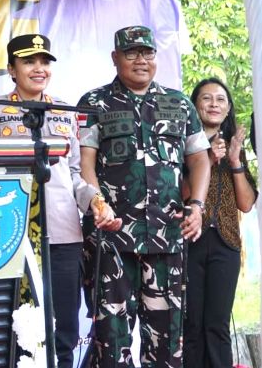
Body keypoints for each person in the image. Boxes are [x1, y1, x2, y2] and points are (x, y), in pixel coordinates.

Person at [0, 34, 116, 368]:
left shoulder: (65, 112)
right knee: (15, 328)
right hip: (10, 235)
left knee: (63, 329)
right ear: (12, 69)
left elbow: (75, 175)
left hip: (63, 235)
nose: (39, 69)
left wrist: (96, 201)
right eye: (29, 62)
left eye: (44, 62)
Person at [77, 25, 210, 368]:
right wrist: (97, 202)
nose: (141, 60)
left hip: (167, 235)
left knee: (166, 342)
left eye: (147, 52)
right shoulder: (94, 103)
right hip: (112, 238)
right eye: (131, 53)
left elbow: (199, 160)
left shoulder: (179, 103)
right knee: (111, 342)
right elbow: (84, 162)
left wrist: (196, 206)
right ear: (115, 57)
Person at [182, 78, 257, 368]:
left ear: (228, 109)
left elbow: (246, 204)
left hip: (226, 243)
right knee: (191, 325)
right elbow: (178, 193)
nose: (214, 104)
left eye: (220, 99)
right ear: (194, 105)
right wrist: (208, 159)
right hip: (189, 240)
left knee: (217, 325)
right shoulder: (181, 145)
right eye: (206, 98)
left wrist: (235, 161)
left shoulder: (234, 147)